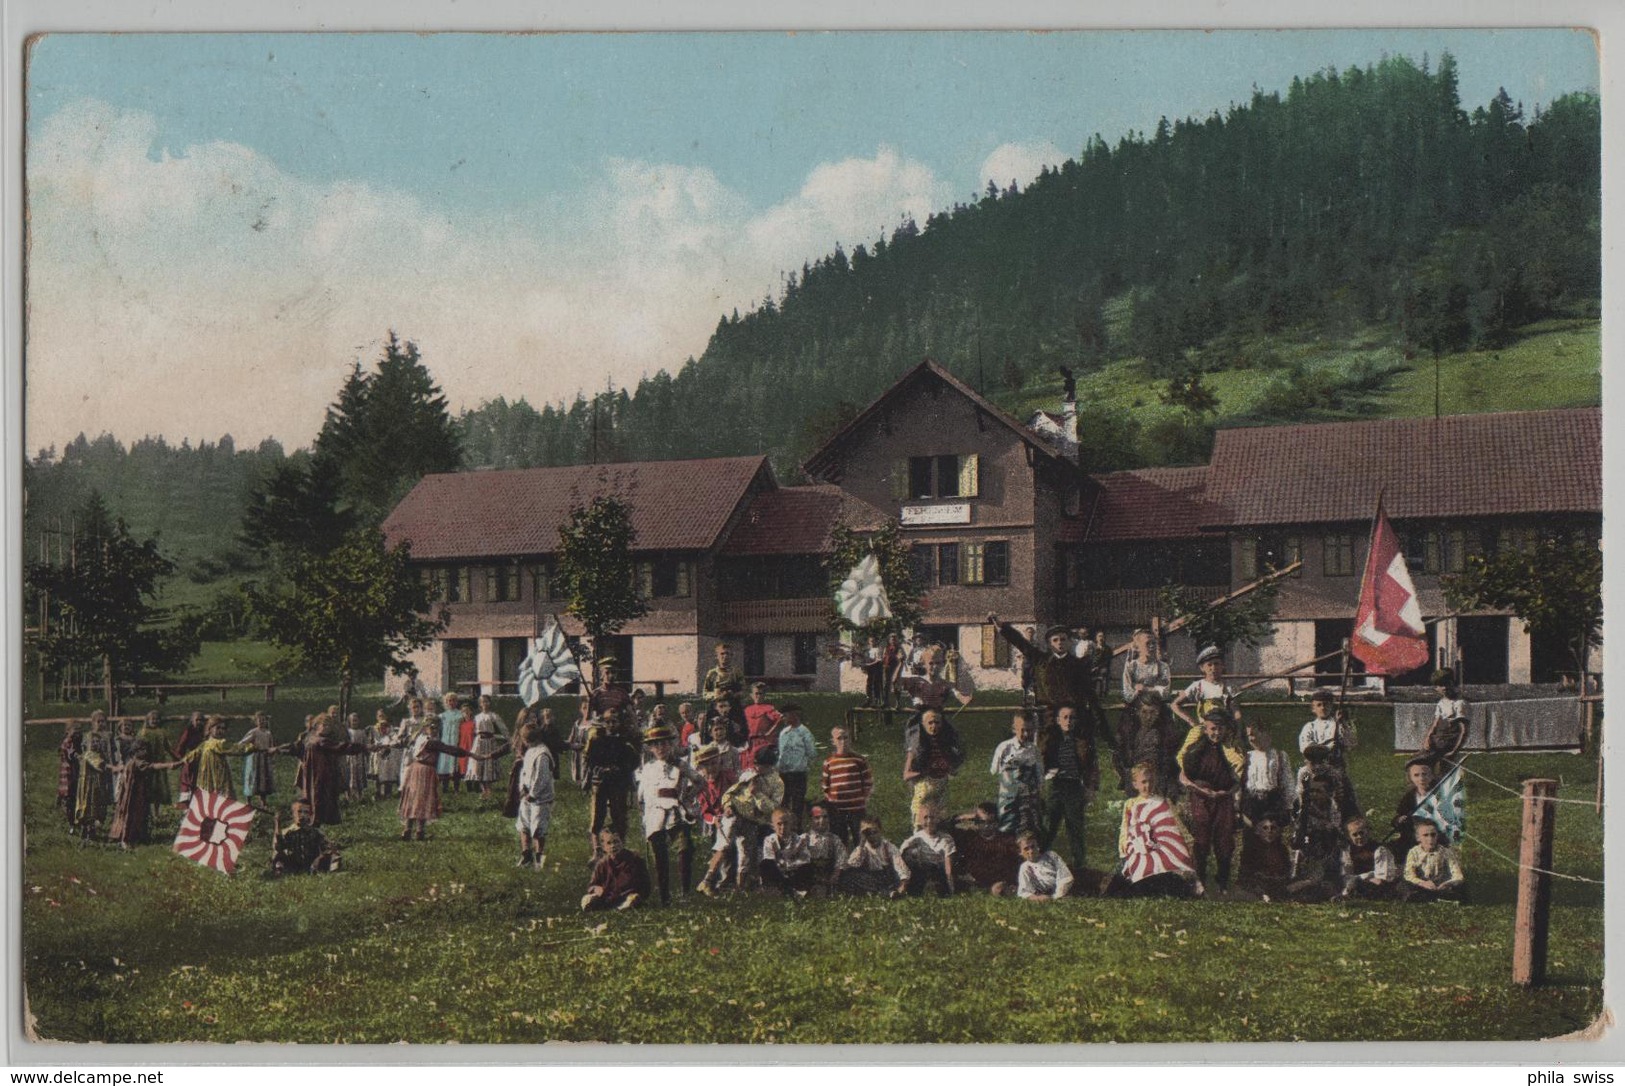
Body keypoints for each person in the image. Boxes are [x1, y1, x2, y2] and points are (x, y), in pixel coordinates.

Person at [989, 615, 1111, 754]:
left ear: (1070, 642)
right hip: (1048, 717)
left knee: (1082, 755)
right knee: (1045, 756)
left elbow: (1089, 693)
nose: (1060, 643)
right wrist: (1002, 627)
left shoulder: (1078, 665)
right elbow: (1021, 643)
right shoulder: (1041, 660)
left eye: (1063, 639)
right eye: (1055, 640)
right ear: (1049, 643)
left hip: (1074, 717)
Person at [1106, 762, 1196, 899]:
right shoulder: (1130, 804)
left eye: (1149, 781)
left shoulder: (1163, 802)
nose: (1146, 786)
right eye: (1142, 782)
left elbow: (1176, 826)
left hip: (1160, 849)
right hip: (1139, 849)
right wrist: (1123, 849)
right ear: (1135, 784)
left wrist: (1188, 843)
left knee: (1170, 874)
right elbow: (1125, 829)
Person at [1178, 708, 1243, 894]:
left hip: (1223, 798)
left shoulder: (1231, 749)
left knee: (1224, 839)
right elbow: (1184, 777)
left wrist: (1226, 792)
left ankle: (1222, 880)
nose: (1216, 733)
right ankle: (1200, 879)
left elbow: (1238, 779)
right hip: (1201, 796)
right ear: (1205, 729)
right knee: (1202, 836)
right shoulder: (1195, 749)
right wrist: (1201, 790)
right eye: (1213, 729)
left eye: (1221, 729)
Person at [637, 723, 700, 903]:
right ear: (650, 748)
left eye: (664, 744)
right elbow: (641, 795)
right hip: (655, 812)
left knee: (685, 848)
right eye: (656, 745)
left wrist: (687, 796)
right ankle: (665, 895)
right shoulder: (648, 768)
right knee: (659, 853)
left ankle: (684, 892)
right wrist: (644, 815)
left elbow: (699, 781)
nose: (661, 748)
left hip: (676, 811)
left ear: (671, 745)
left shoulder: (680, 765)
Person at [397, 718, 481, 841]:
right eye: (432, 727)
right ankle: (417, 831)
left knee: (414, 799)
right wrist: (472, 755)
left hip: (415, 769)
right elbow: (451, 750)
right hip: (424, 771)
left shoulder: (419, 738)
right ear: (426, 728)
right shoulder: (431, 742)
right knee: (422, 800)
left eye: (436, 727)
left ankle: (410, 830)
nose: (435, 730)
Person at [1118, 627, 1177, 795]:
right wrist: (1142, 690)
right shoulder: (1131, 667)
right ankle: (1130, 780)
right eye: (1147, 643)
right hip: (1136, 711)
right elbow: (1128, 694)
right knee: (1128, 739)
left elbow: (1165, 691)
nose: (1151, 646)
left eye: (1154, 643)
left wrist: (1144, 688)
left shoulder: (1162, 666)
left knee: (1168, 740)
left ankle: (1167, 780)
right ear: (1137, 647)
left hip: (1158, 710)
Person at [1039, 704, 1097, 872]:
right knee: (1049, 826)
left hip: (1074, 787)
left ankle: (1079, 866)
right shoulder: (1051, 740)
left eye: (1072, 718)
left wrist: (1090, 787)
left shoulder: (1081, 741)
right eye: (1065, 717)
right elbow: (1040, 760)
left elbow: (1091, 766)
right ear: (1058, 720)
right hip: (1056, 786)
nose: (1068, 721)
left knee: (1075, 827)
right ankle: (1038, 861)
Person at [581, 710, 639, 865]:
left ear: (619, 723)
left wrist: (618, 769)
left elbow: (633, 761)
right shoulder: (597, 739)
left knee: (619, 814)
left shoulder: (625, 741)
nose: (611, 725)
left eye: (615, 721)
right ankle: (597, 851)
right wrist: (596, 770)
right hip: (599, 783)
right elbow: (589, 759)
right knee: (597, 816)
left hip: (618, 783)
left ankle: (619, 850)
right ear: (604, 723)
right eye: (608, 722)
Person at [299, 711, 370, 826]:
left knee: (321, 795)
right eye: (325, 725)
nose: (327, 728)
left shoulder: (314, 738)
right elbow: (341, 747)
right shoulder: (317, 740)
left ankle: (320, 819)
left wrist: (363, 747)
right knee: (317, 796)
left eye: (329, 726)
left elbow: (342, 747)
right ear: (317, 725)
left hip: (322, 773)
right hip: (317, 773)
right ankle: (316, 820)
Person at [902, 708, 962, 825]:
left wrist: (949, 768)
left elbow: (953, 770)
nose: (934, 726)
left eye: (937, 722)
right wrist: (926, 771)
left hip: (941, 787)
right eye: (930, 723)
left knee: (941, 822)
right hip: (924, 787)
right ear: (923, 725)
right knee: (921, 822)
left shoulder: (944, 745)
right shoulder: (917, 747)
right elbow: (906, 775)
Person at [950, 803, 1022, 896]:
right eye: (982, 822)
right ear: (976, 822)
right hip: (972, 880)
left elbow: (1017, 864)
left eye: (990, 822)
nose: (986, 826)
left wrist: (1007, 881)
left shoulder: (1006, 840)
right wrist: (962, 817)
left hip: (997, 882)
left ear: (996, 823)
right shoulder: (969, 837)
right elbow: (943, 826)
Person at [990, 711, 1044, 835]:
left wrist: (1038, 791)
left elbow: (1039, 774)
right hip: (1008, 794)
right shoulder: (1004, 748)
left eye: (1030, 731)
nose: (1026, 734)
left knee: (1029, 825)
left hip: (1028, 794)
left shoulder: (1034, 750)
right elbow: (995, 770)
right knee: (1007, 825)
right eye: (1022, 730)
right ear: (1014, 729)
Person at [819, 726, 873, 846]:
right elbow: (825, 786)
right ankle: (841, 863)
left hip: (856, 808)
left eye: (846, 738)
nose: (843, 741)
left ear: (850, 739)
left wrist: (863, 799)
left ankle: (861, 861)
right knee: (839, 839)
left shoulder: (859, 760)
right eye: (839, 738)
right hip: (837, 809)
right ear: (833, 741)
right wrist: (831, 802)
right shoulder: (829, 762)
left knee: (860, 838)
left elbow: (868, 782)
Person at [515, 719, 557, 871]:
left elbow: (541, 777)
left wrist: (533, 793)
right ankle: (526, 854)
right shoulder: (530, 752)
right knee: (523, 825)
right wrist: (522, 789)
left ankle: (539, 858)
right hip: (526, 796)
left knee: (538, 828)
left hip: (540, 798)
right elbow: (524, 772)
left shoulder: (542, 754)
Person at [1172, 646, 1240, 738]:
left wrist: (1232, 726)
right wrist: (1191, 721)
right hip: (1204, 730)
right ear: (1202, 668)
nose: (1213, 668)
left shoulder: (1229, 687)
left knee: (1234, 751)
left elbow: (1236, 712)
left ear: (1222, 666)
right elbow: (1174, 705)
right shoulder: (1198, 686)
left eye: (1217, 664)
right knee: (1189, 748)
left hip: (1224, 731)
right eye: (1209, 665)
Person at [108, 723, 158, 849]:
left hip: (138, 793)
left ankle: (137, 836)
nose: (145, 752)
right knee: (130, 815)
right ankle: (126, 838)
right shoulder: (135, 763)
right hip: (132, 795)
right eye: (142, 749)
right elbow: (152, 766)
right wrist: (171, 765)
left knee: (140, 813)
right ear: (135, 751)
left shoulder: (136, 762)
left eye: (146, 749)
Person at [835, 816, 910, 897]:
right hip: (870, 879)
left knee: (897, 876)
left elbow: (899, 864)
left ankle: (885, 892)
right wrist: (861, 844)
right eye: (868, 833)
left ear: (881, 831)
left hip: (888, 877)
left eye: (875, 832)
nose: (872, 836)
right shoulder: (863, 849)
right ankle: (886, 893)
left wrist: (903, 882)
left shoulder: (888, 847)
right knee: (849, 875)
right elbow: (852, 864)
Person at [581, 830, 651, 912]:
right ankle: (608, 907)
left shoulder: (633, 859)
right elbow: (592, 885)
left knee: (633, 899)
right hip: (608, 897)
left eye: (616, 842)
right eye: (609, 843)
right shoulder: (602, 864)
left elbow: (644, 885)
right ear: (603, 847)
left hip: (627, 895)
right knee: (587, 899)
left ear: (622, 842)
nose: (613, 846)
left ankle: (623, 907)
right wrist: (596, 889)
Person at [1241, 721, 1294, 828]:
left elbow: (1287, 782)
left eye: (1253, 734)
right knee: (1252, 836)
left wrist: (1288, 806)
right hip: (1252, 803)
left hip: (1273, 802)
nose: (1251, 739)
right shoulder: (1247, 757)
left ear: (1265, 733)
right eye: (1248, 736)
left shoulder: (1280, 755)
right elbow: (1241, 783)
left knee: (1272, 836)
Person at [1401, 820, 1466, 903]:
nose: (1430, 839)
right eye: (1425, 835)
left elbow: (1458, 874)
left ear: (1437, 836)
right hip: (1421, 885)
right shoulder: (1413, 852)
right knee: (1406, 887)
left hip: (1440, 886)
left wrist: (1448, 883)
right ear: (1418, 838)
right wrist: (1422, 883)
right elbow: (1409, 874)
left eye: (1433, 835)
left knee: (1461, 889)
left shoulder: (1445, 852)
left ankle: (1440, 899)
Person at [272, 801, 342, 875]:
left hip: (311, 864)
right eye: (299, 812)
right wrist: (277, 824)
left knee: (333, 855)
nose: (302, 815)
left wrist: (319, 859)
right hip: (293, 865)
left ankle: (333, 872)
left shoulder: (315, 832)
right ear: (293, 814)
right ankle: (280, 873)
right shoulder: (287, 832)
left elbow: (329, 848)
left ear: (310, 815)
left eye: (306, 812)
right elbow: (277, 847)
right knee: (278, 856)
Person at [1420, 669, 1470, 774]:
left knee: (1446, 774)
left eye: (1447, 684)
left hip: (1448, 745)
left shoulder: (1459, 703)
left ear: (1453, 684)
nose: (1444, 688)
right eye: (1440, 685)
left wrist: (1454, 751)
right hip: (1436, 742)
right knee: (1427, 769)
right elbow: (1435, 723)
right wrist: (1427, 739)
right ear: (1436, 688)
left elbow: (1464, 730)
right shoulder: (1441, 703)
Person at [760, 808, 816, 899]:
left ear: (791, 824)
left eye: (786, 823)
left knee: (808, 867)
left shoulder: (799, 840)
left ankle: (794, 890)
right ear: (773, 826)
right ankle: (787, 890)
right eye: (779, 824)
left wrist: (789, 866)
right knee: (765, 864)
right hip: (779, 874)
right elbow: (769, 858)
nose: (783, 827)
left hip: (793, 873)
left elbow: (805, 859)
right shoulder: (769, 840)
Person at [899, 809, 957, 896]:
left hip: (939, 870)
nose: (929, 822)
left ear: (938, 820)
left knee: (943, 890)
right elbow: (901, 851)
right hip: (923, 869)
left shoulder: (946, 839)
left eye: (932, 818)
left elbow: (948, 864)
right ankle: (912, 886)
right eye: (925, 818)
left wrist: (950, 883)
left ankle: (939, 887)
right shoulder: (918, 836)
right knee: (910, 853)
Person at [1234, 814, 1293, 900]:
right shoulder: (1251, 849)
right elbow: (1247, 873)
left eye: (1273, 828)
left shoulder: (1282, 849)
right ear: (1257, 831)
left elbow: (1286, 869)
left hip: (1277, 883)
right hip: (1258, 883)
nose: (1270, 831)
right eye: (1265, 828)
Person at [1390, 758, 1437, 862]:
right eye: (1416, 775)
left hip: (1433, 836)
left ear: (1432, 776)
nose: (1421, 778)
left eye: (1425, 774)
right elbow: (1397, 817)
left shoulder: (1438, 795)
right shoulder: (1409, 797)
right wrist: (1399, 819)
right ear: (1410, 778)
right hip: (1412, 836)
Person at [775, 703, 816, 823]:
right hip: (783, 774)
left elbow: (812, 753)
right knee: (783, 802)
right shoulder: (784, 733)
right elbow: (781, 753)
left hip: (798, 773)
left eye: (785, 716)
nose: (783, 718)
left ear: (794, 715)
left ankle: (797, 828)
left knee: (797, 804)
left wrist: (801, 763)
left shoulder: (805, 733)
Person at [1340, 817, 1399, 900]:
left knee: (1377, 883)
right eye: (1355, 834)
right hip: (1357, 882)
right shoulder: (1348, 851)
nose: (1359, 837)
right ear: (1349, 836)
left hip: (1378, 883)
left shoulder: (1379, 849)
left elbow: (1383, 875)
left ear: (1368, 832)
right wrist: (1356, 880)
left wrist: (1361, 878)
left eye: (1361, 833)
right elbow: (1346, 873)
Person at [465, 695, 510, 799]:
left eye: (487, 702)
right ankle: (483, 789)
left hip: (489, 742)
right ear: (480, 704)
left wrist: (509, 738)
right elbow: (472, 729)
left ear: (490, 703)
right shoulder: (477, 717)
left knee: (489, 764)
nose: (485, 704)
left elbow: (502, 728)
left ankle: (488, 789)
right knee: (478, 764)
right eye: (483, 702)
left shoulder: (493, 716)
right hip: (479, 742)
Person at [1015, 830, 1075, 901]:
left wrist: (1058, 895)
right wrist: (1036, 898)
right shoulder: (1025, 867)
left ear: (1038, 846)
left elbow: (1065, 876)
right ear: (1020, 852)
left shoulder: (1050, 856)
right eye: (1026, 849)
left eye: (1033, 847)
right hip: (1046, 893)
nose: (1030, 851)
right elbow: (1024, 891)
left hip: (1065, 888)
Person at [802, 806, 848, 892]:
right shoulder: (804, 839)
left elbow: (841, 859)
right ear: (810, 819)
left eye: (825, 817)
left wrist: (836, 874)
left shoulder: (834, 839)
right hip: (810, 877)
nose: (822, 821)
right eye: (817, 818)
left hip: (829, 876)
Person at [137, 711, 172, 822]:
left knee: (158, 788)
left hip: (160, 762)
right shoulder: (144, 732)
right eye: (152, 719)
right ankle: (147, 813)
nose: (155, 721)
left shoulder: (162, 732)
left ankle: (157, 812)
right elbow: (139, 747)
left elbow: (167, 746)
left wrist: (176, 756)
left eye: (157, 719)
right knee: (148, 787)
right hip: (148, 764)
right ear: (147, 720)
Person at [239, 711, 279, 809]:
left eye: (263, 720)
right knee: (252, 777)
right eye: (259, 720)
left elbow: (271, 745)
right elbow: (242, 743)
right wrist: (251, 746)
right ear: (255, 721)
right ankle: (248, 801)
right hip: (254, 757)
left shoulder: (268, 733)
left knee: (263, 779)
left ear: (266, 721)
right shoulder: (253, 732)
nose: (261, 722)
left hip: (264, 758)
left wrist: (272, 754)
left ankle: (263, 801)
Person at [741, 683, 783, 771]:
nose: (758, 696)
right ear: (751, 695)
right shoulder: (747, 709)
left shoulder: (768, 708)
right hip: (749, 742)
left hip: (763, 742)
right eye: (756, 693)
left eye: (761, 693)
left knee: (761, 767)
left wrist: (770, 733)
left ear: (764, 695)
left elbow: (780, 719)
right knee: (747, 766)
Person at [172, 710, 206, 808]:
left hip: (202, 759)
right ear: (192, 721)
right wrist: (179, 758)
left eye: (201, 720)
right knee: (187, 780)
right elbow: (181, 744)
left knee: (199, 780)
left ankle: (198, 803)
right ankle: (185, 803)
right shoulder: (189, 731)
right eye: (197, 720)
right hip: (190, 758)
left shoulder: (204, 732)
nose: (199, 722)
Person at [56, 721, 83, 831]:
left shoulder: (76, 742)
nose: (77, 732)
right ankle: (71, 822)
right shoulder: (68, 742)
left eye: (79, 730)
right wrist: (80, 757)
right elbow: (71, 754)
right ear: (68, 732)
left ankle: (75, 820)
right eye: (74, 730)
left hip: (74, 772)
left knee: (75, 796)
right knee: (69, 796)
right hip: (68, 773)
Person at [702, 643, 745, 712]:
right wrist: (715, 695)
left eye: (728, 654)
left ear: (731, 656)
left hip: (733, 708)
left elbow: (743, 692)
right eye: (722, 654)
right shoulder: (712, 673)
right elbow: (705, 694)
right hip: (715, 708)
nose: (725, 656)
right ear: (716, 656)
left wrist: (732, 694)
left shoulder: (736, 673)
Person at [369, 709, 401, 800]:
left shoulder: (390, 728)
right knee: (378, 773)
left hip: (388, 752)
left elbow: (394, 738)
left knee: (388, 773)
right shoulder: (373, 728)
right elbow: (371, 740)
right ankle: (377, 792)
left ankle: (388, 792)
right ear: (376, 717)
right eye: (379, 716)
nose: (381, 717)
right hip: (377, 752)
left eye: (383, 715)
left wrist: (391, 742)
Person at [437, 693, 465, 793]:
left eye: (453, 700)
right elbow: (439, 730)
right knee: (445, 763)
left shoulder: (460, 715)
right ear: (446, 702)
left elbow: (464, 729)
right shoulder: (442, 716)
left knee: (455, 764)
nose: (451, 702)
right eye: (449, 700)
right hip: (445, 741)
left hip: (455, 740)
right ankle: (445, 787)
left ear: (456, 702)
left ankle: (456, 788)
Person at [344, 711, 371, 802]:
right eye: (353, 721)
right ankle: (350, 795)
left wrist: (367, 751)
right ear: (349, 721)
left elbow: (366, 743)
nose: (354, 722)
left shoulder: (362, 732)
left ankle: (360, 795)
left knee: (359, 775)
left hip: (359, 756)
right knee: (350, 775)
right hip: (350, 757)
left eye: (356, 720)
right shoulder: (347, 732)